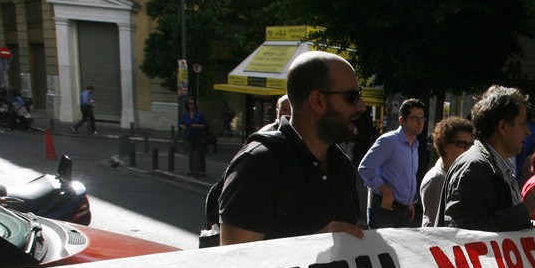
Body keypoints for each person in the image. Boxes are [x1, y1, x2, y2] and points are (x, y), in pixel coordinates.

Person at [218, 51, 365, 245]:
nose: (361, 106)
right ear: (318, 101)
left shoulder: (342, 165)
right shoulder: (258, 165)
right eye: (352, 97)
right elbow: (235, 264)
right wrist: (313, 245)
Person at [437, 85, 535, 231]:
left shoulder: (495, 165)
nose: (528, 131)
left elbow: (494, 223)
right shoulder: (473, 169)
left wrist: (527, 226)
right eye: (522, 124)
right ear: (503, 127)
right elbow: (465, 235)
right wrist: (525, 211)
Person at [358, 98, 426, 229]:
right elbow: (365, 168)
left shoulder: (415, 145)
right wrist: (386, 191)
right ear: (402, 120)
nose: (419, 122)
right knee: (381, 249)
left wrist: (410, 201)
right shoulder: (389, 141)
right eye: (414, 118)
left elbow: (406, 177)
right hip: (384, 209)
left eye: (422, 118)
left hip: (404, 210)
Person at [420, 116, 474, 227]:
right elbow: (433, 225)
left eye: (470, 144)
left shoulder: (460, 172)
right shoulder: (436, 179)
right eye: (462, 144)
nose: (467, 149)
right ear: (445, 146)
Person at [179, 98, 209, 177]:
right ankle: (191, 169)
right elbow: (180, 123)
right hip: (189, 135)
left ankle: (202, 170)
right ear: (187, 105)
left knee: (200, 153)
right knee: (191, 153)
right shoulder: (185, 114)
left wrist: (197, 125)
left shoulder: (200, 114)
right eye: (190, 104)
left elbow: (205, 125)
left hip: (198, 136)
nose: (192, 105)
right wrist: (182, 126)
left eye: (193, 103)